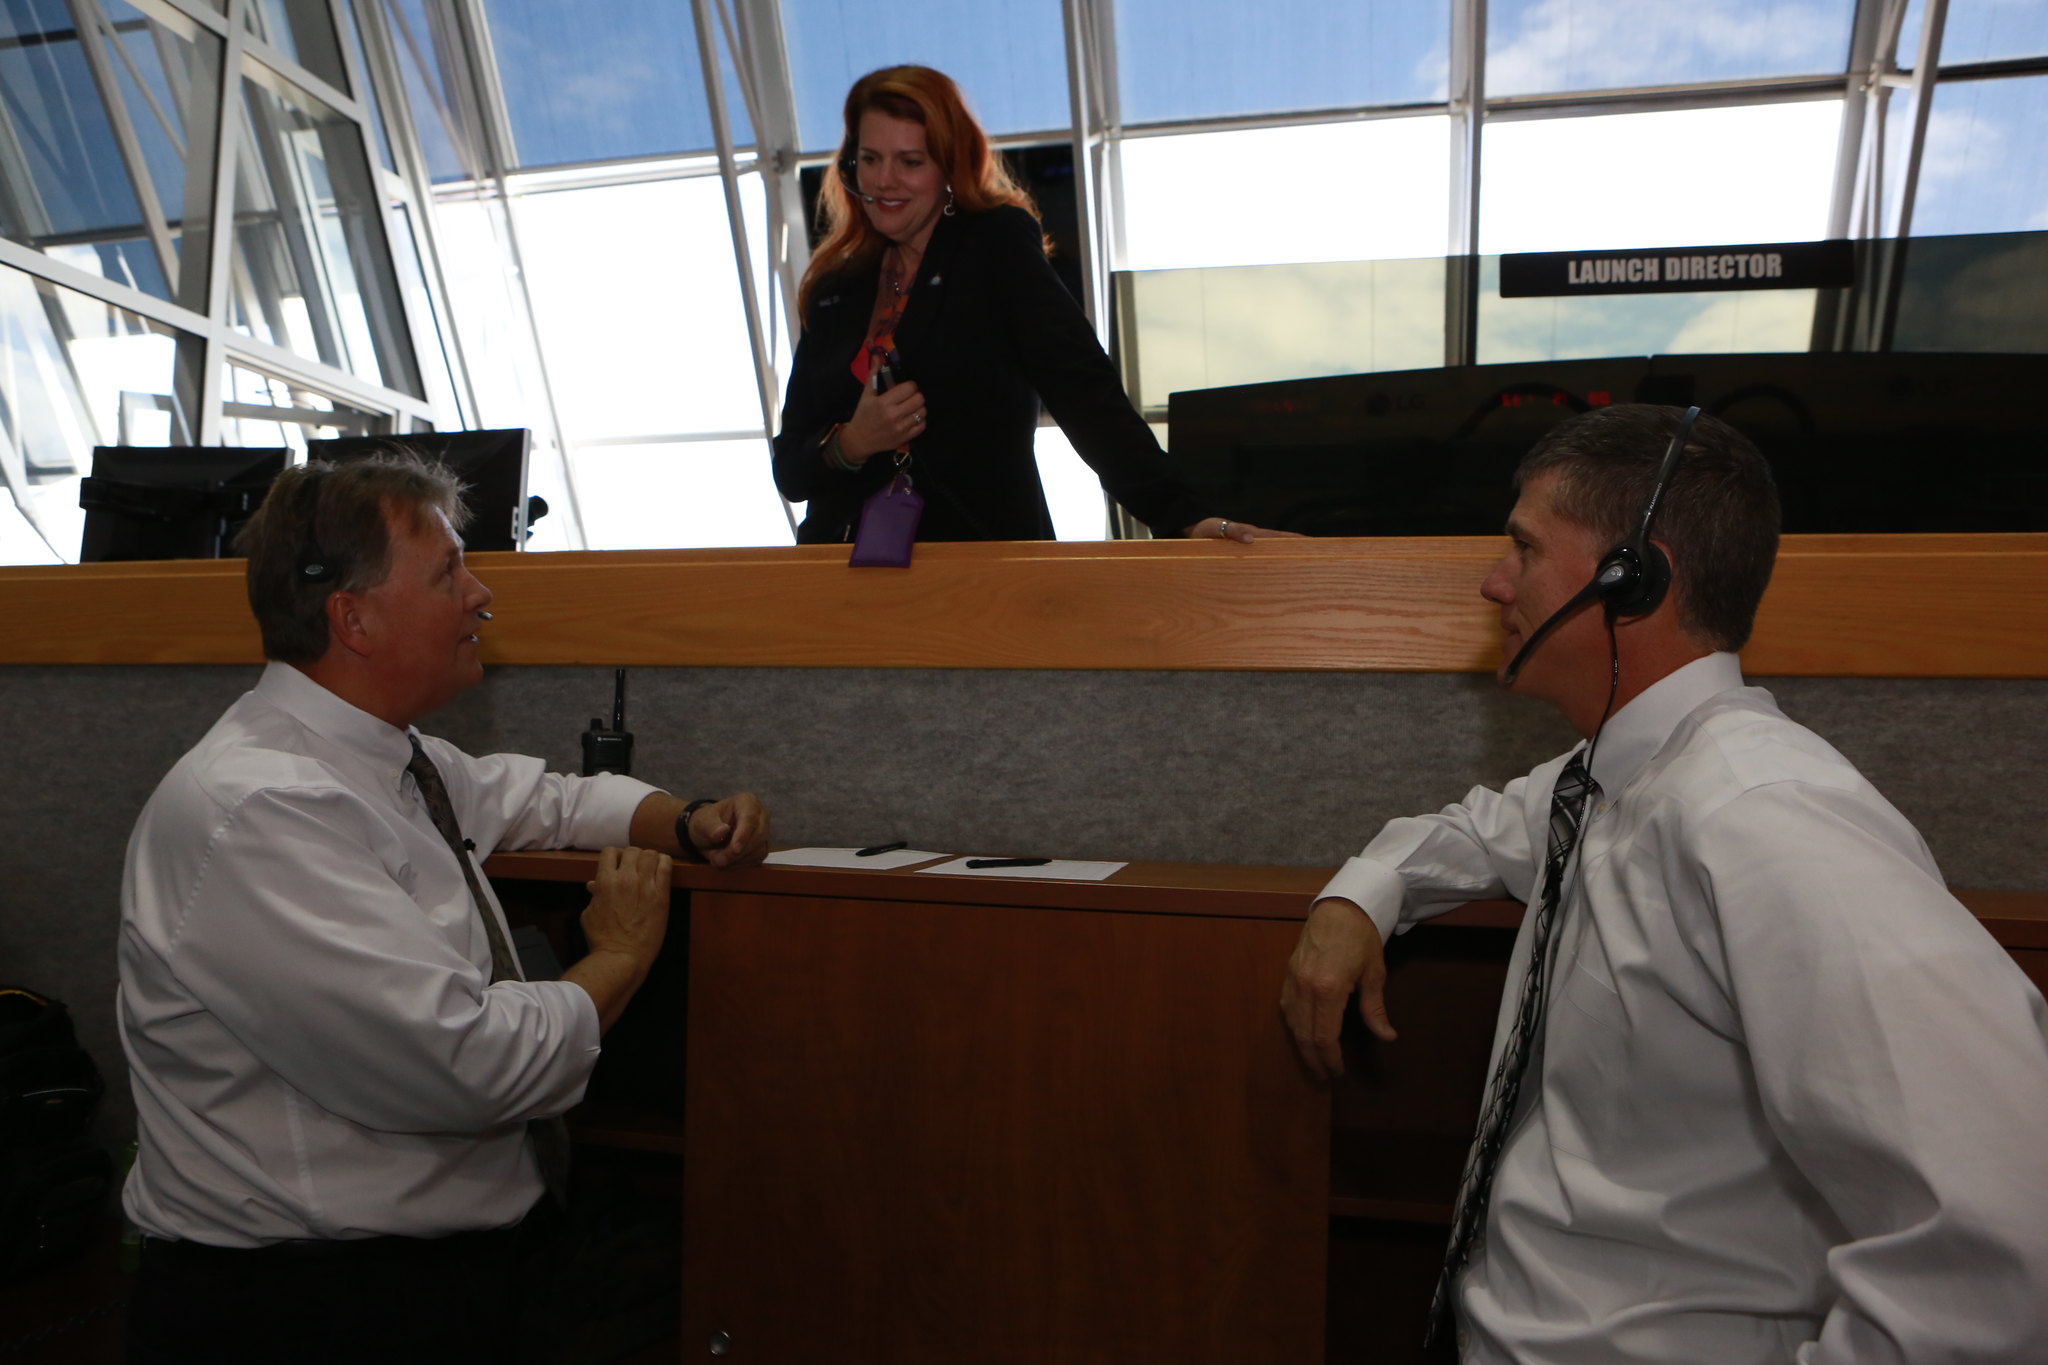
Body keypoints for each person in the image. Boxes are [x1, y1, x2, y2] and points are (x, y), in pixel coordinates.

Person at [1280, 404, 2048, 1363]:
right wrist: (1362, 894)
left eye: (1521, 548)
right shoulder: (1611, 774)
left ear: (1630, 580)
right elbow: (1477, 829)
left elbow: (2006, 1232)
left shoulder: (1769, 817)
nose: (1491, 582)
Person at [117, 454, 770, 1362]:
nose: (481, 591)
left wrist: (683, 818)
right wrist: (618, 952)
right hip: (310, 1308)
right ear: (353, 616)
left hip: (431, 1281)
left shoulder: (391, 757)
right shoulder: (260, 808)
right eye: (449, 572)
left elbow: (540, 798)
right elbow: (467, 1064)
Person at [771, 64, 1290, 545]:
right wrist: (853, 442)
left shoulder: (992, 245)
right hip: (840, 576)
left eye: (911, 162)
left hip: (983, 567)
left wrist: (1182, 516)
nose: (884, 180)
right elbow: (790, 469)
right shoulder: (836, 287)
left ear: (950, 166)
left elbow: (1083, 387)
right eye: (870, 159)